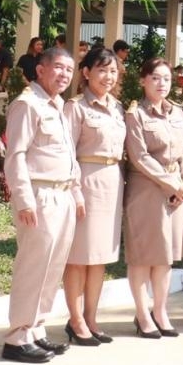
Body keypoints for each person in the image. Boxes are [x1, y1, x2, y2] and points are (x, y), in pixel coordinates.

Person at [0, 46, 82, 363]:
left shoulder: (58, 106)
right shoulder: (27, 104)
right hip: (39, 196)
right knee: (33, 267)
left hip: (61, 194)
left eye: (68, 70)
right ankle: (17, 337)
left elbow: (68, 155)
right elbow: (16, 155)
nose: (63, 75)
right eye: (58, 68)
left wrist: (75, 190)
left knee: (52, 267)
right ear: (41, 70)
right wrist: (23, 199)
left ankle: (36, 329)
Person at [124, 58, 183, 338]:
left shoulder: (178, 113)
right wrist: (172, 186)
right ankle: (142, 315)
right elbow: (139, 157)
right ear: (143, 80)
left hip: (175, 191)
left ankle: (160, 310)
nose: (161, 83)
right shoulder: (136, 114)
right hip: (147, 190)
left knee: (165, 257)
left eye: (166, 78)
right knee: (143, 256)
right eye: (155, 78)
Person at [62, 48, 126, 347]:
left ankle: (91, 317)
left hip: (112, 184)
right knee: (78, 257)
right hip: (85, 183)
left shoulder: (118, 108)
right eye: (102, 70)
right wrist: (75, 192)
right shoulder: (75, 107)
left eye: (113, 71)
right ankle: (75, 321)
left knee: (100, 258)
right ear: (86, 72)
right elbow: (68, 154)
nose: (108, 77)